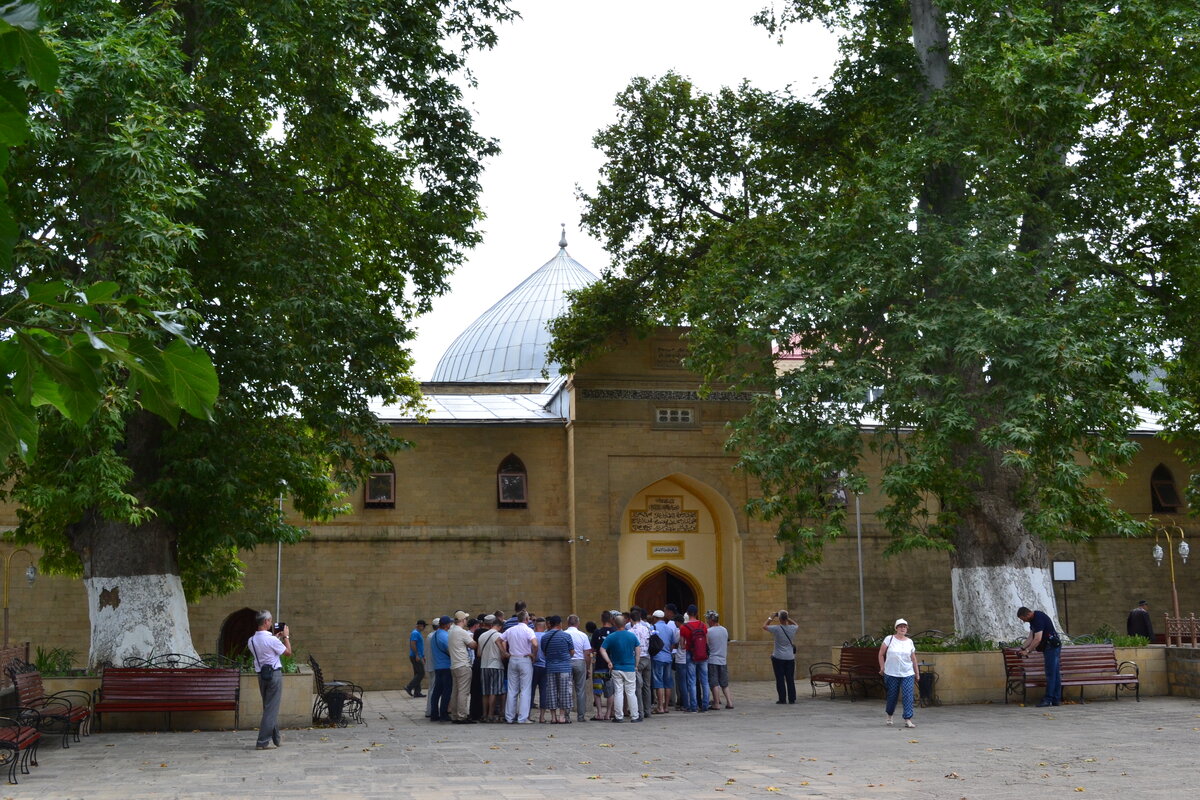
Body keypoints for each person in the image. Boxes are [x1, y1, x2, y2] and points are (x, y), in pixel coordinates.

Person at [248, 610, 291, 750]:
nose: (271, 623)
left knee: (269, 707)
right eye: (271, 621)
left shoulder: (251, 640)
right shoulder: (271, 640)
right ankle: (262, 742)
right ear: (266, 622)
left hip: (261, 675)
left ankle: (276, 738)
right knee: (271, 709)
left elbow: (265, 649)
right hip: (274, 675)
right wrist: (286, 637)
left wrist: (276, 638)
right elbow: (288, 653)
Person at [878, 618, 919, 728]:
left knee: (908, 696)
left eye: (904, 627)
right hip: (891, 672)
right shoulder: (889, 639)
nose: (902, 628)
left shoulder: (909, 642)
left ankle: (908, 719)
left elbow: (913, 658)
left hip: (907, 672)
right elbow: (881, 654)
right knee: (892, 696)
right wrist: (882, 667)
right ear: (896, 628)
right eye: (900, 626)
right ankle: (889, 715)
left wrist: (917, 673)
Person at [600, 613, 641, 722]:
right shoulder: (632, 636)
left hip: (616, 668)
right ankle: (635, 716)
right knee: (631, 692)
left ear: (614, 623)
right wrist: (636, 665)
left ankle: (619, 716)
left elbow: (602, 649)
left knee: (618, 692)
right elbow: (638, 650)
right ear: (625, 623)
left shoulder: (611, 636)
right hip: (630, 667)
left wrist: (609, 661)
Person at [1018, 606, 1062, 707]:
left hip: (1051, 647)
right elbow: (1031, 637)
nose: (1024, 621)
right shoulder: (1033, 620)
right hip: (1051, 647)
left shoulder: (1038, 619)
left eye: (1023, 619)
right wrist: (1022, 648)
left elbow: (1038, 639)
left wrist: (1028, 651)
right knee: (1054, 673)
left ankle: (1048, 699)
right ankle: (1056, 699)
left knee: (1051, 674)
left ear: (1028, 614)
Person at [500, 610, 538, 723]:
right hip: (524, 659)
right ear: (526, 619)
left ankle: (509, 716)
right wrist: (533, 655)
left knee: (512, 689)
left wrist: (504, 652)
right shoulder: (528, 630)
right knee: (525, 689)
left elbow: (498, 640)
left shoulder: (510, 630)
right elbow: (535, 644)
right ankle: (522, 717)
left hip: (513, 658)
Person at [541, 615, 576, 723]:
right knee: (564, 692)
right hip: (564, 667)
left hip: (550, 667)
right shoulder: (566, 636)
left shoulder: (545, 637)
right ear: (560, 624)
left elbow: (544, 652)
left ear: (550, 624)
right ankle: (561, 716)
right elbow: (572, 652)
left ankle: (553, 717)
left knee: (551, 692)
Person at [447, 611, 477, 724]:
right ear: (463, 620)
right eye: (466, 619)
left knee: (455, 691)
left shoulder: (451, 631)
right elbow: (473, 645)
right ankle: (462, 715)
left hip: (454, 664)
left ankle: (455, 715)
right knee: (463, 692)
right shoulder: (461, 632)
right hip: (463, 664)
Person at [763, 609, 799, 704]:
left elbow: (764, 626)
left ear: (779, 619)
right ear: (786, 618)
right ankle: (792, 698)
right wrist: (787, 618)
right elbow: (796, 624)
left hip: (778, 657)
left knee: (780, 679)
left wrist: (771, 617)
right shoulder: (793, 628)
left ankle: (782, 699)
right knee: (790, 679)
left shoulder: (776, 628)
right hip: (790, 657)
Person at [679, 604, 710, 712]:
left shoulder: (684, 627)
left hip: (690, 654)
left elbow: (682, 645)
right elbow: (707, 641)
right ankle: (705, 705)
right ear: (697, 613)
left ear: (687, 614)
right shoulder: (703, 625)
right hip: (703, 655)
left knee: (692, 681)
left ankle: (693, 706)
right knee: (705, 681)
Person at [477, 615, 505, 723]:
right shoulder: (500, 636)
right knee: (493, 691)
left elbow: (479, 654)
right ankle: (490, 715)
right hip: (496, 665)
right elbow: (503, 654)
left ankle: (484, 714)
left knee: (485, 692)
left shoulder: (482, 636)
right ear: (500, 626)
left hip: (484, 666)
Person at [565, 614, 592, 722]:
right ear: (578, 623)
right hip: (580, 662)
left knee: (567, 689)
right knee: (580, 690)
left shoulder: (564, 634)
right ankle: (581, 716)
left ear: (567, 623)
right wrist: (588, 667)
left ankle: (566, 715)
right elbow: (587, 653)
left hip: (567, 662)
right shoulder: (583, 635)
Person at [650, 609, 677, 714]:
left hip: (657, 657)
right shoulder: (669, 629)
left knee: (659, 682)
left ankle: (660, 707)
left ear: (655, 618)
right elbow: (672, 644)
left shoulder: (653, 628)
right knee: (668, 682)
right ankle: (666, 707)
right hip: (668, 658)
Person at [705, 610, 733, 710]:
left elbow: (706, 644)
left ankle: (716, 703)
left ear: (711, 620)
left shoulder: (709, 631)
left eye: (707, 619)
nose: (707, 621)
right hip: (723, 660)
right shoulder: (724, 630)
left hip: (713, 659)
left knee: (714, 683)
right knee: (724, 683)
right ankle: (729, 702)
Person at [429, 616, 453, 722]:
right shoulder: (445, 635)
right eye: (450, 623)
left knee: (437, 691)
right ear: (447, 625)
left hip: (437, 666)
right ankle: (443, 713)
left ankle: (434, 713)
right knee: (446, 691)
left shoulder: (435, 635)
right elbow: (450, 650)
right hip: (446, 666)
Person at [405, 619, 427, 697]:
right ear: (420, 626)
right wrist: (417, 655)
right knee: (421, 673)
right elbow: (413, 644)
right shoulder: (415, 633)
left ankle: (417, 692)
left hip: (417, 656)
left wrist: (423, 656)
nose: (424, 628)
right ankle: (409, 687)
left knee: (417, 674)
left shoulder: (418, 633)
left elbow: (419, 646)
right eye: (424, 626)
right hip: (415, 656)